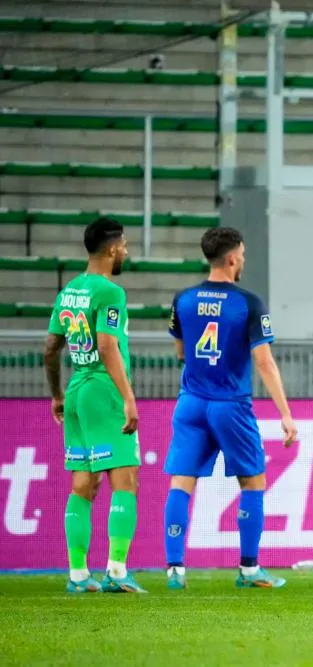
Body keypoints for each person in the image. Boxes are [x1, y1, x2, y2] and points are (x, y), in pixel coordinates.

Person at [162, 227, 298, 589]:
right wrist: (285, 413)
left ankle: (175, 570)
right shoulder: (248, 303)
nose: (243, 262)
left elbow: (180, 352)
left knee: (181, 481)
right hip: (230, 405)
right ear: (233, 257)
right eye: (243, 255)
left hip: (190, 402)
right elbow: (265, 363)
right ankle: (249, 570)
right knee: (253, 480)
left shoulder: (183, 299)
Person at [43, 216, 144, 593]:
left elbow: (51, 348)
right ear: (113, 248)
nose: (127, 252)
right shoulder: (110, 292)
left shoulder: (68, 291)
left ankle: (78, 575)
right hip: (104, 391)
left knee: (83, 483)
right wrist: (129, 397)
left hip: (76, 390)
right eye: (126, 246)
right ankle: (117, 571)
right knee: (125, 481)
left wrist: (56, 394)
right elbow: (106, 345)